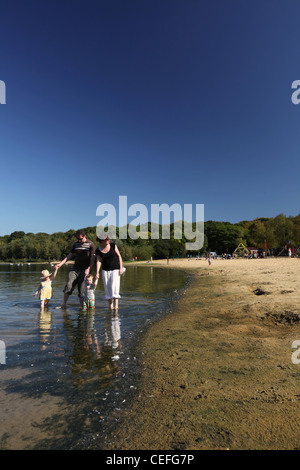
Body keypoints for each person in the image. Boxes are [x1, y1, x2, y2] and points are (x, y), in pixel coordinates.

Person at [55, 229, 95, 309]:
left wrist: (89, 268)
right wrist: (60, 264)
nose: (79, 241)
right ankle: (63, 304)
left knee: (81, 289)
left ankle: (81, 306)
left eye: (80, 239)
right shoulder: (76, 244)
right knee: (69, 284)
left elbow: (93, 258)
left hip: (85, 270)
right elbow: (69, 255)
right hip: (75, 268)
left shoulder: (91, 244)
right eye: (78, 239)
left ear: (85, 236)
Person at [95, 233, 124, 310]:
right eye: (107, 239)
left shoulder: (113, 246)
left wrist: (121, 268)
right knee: (107, 288)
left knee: (114, 286)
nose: (108, 240)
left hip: (115, 269)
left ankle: (116, 306)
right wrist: (97, 272)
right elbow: (98, 261)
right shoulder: (98, 250)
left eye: (108, 239)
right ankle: (110, 306)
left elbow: (119, 256)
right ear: (102, 241)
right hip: (105, 270)